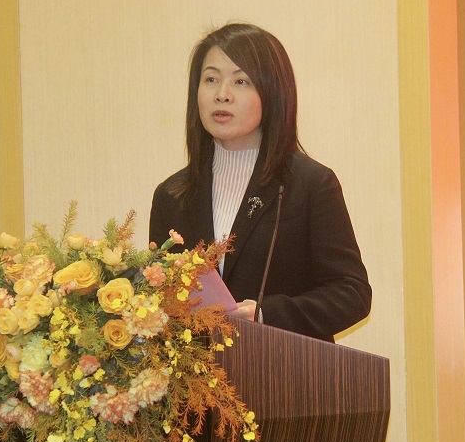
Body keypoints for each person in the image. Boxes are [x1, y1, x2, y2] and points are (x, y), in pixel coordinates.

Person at [149, 22, 371, 342]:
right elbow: (160, 297)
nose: (222, 95)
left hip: (285, 367)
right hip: (199, 370)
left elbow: (351, 294)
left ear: (272, 92)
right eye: (211, 79)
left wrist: (266, 315)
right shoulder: (172, 195)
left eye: (240, 81)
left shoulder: (310, 184)